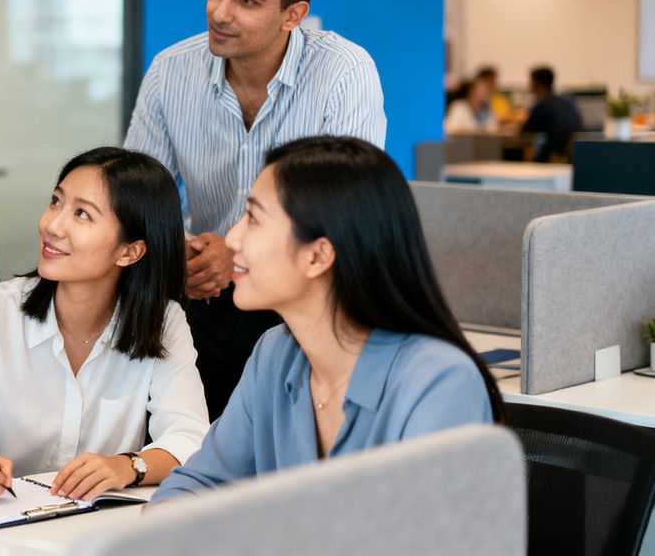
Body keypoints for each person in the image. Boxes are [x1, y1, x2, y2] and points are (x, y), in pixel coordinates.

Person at [124, 0, 386, 418]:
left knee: (292, 466)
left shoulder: (344, 73)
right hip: (206, 297)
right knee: (202, 449)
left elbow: (344, 207)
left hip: (309, 303)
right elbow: (139, 194)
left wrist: (239, 253)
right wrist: (176, 249)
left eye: (247, 0)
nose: (219, 12)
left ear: (293, 14)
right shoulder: (170, 71)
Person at [150, 136, 502, 504]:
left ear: (318, 256)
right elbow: (194, 486)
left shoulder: (439, 383)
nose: (232, 239)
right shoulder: (276, 355)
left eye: (253, 218)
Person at [0, 148, 210, 502]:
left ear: (130, 252)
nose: (51, 225)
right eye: (55, 202)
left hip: (94, 532)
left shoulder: (163, 321)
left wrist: (126, 466)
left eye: (82, 214)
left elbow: (191, 437)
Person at [522, 66, 583, 162]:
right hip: (570, 157)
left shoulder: (543, 105)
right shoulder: (567, 103)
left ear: (537, 83)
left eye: (531, 81)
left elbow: (525, 132)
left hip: (552, 157)